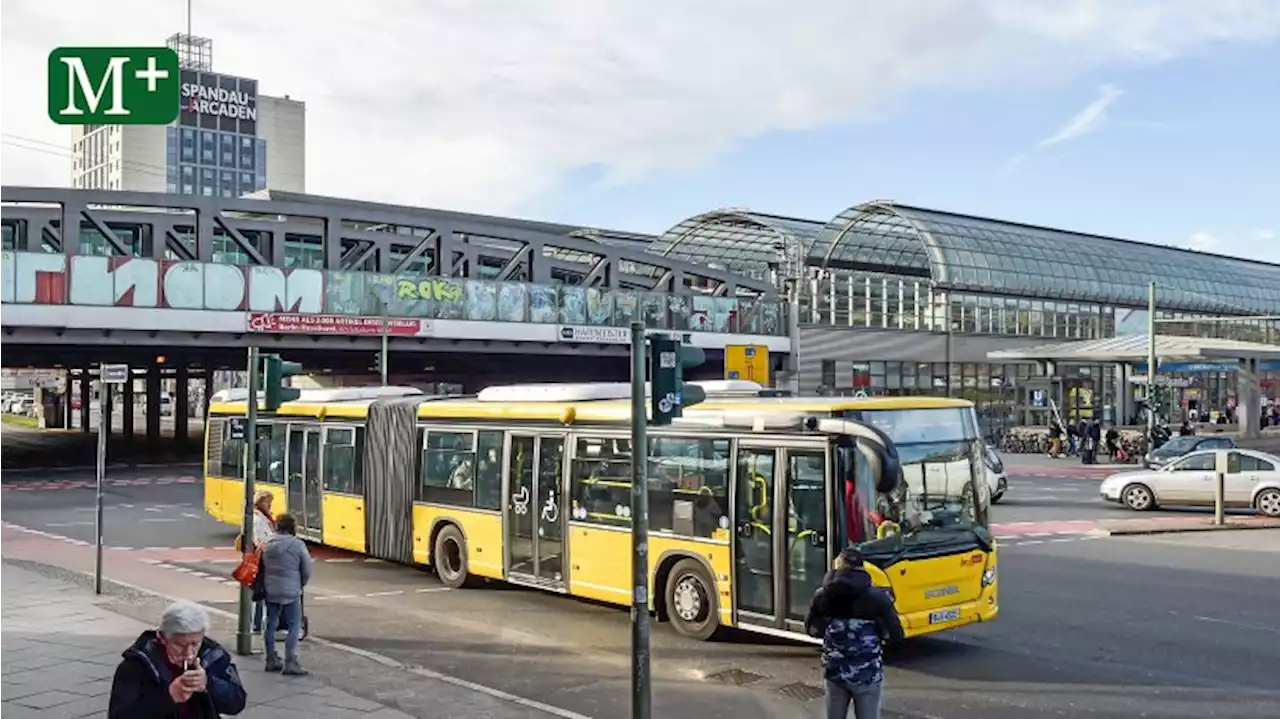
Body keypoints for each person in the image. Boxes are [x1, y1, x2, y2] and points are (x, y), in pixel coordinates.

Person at [805, 548, 905, 719]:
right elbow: (896, 634)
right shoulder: (878, 598)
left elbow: (812, 629)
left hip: (834, 672)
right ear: (862, 568)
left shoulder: (822, 596)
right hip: (866, 673)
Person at [108, 600, 246, 718]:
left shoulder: (212, 655)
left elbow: (237, 702)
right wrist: (169, 697)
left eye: (195, 643)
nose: (189, 653)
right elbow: (119, 715)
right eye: (180, 645)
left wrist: (208, 683)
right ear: (162, 638)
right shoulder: (137, 665)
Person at [261, 512, 313, 675]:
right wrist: (301, 583)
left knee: (270, 623)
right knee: (294, 625)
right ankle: (290, 661)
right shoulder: (297, 545)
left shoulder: (267, 544)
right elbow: (307, 569)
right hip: (291, 590)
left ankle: (271, 658)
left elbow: (262, 566)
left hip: (271, 589)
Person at [248, 490, 276, 633]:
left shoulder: (264, 517)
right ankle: (259, 624)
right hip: (262, 560)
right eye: (267, 502)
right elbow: (261, 541)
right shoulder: (258, 519)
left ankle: (257, 624)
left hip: (263, 560)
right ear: (259, 502)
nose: (270, 505)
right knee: (262, 593)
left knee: (260, 593)